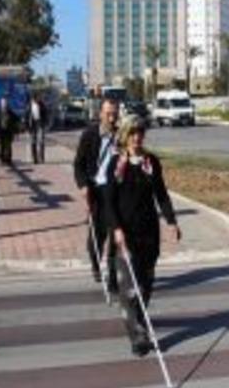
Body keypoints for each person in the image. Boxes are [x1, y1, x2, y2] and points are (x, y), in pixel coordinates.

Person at [103, 115, 181, 356]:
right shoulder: (116, 163)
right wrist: (116, 229)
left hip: (148, 233)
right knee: (129, 288)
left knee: (146, 285)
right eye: (133, 133)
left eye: (141, 133)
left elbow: (161, 194)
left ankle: (139, 320)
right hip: (125, 234)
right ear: (125, 135)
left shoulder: (151, 162)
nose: (137, 137)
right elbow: (108, 201)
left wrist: (171, 221)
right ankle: (138, 337)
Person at [73, 97, 120, 291]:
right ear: (100, 113)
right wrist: (83, 185)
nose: (111, 118)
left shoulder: (121, 136)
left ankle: (112, 276)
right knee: (97, 236)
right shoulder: (89, 135)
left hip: (114, 191)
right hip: (96, 190)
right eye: (108, 113)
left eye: (114, 114)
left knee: (114, 233)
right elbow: (78, 165)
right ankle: (95, 263)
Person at [0, 96, 19, 165]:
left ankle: (9, 160)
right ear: (1, 103)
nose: (4, 104)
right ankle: (2, 159)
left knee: (8, 146)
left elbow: (16, 119)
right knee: (1, 146)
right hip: (0, 131)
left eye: (5, 103)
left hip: (8, 131)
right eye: (3, 103)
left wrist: (16, 130)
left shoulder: (10, 112)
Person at [26, 93, 49, 164]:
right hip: (32, 125)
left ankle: (41, 158)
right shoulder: (29, 106)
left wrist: (45, 124)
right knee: (33, 142)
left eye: (37, 98)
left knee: (41, 141)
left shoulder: (42, 105)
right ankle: (34, 158)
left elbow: (45, 114)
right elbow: (26, 116)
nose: (36, 100)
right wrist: (27, 126)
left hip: (40, 124)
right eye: (34, 99)